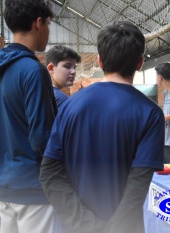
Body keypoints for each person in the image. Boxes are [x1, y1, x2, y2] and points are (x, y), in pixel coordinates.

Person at [39, 21, 165, 233]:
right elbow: (138, 185)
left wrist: (85, 225)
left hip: (74, 226)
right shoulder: (150, 114)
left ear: (99, 61)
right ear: (140, 63)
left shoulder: (70, 106)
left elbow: (49, 174)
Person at [0, 0, 60, 233]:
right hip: (32, 188)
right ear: (39, 23)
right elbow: (41, 138)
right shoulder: (33, 70)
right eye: (48, 24)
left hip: (3, 186)